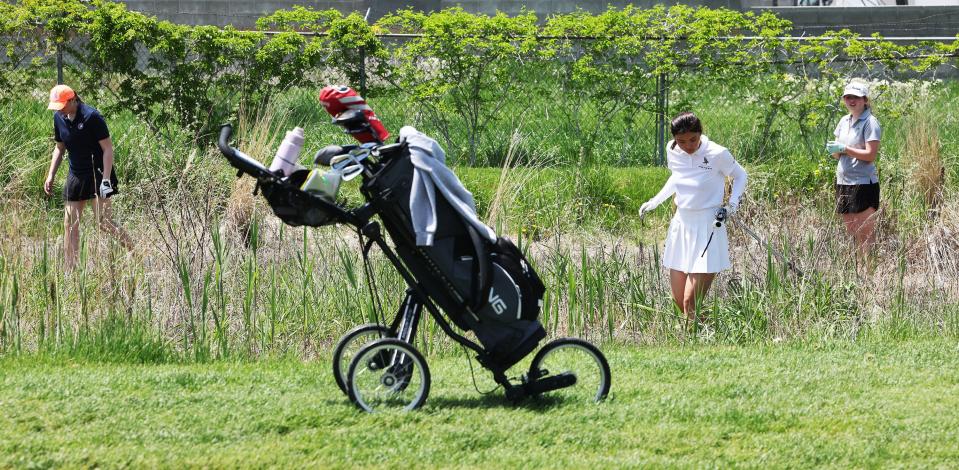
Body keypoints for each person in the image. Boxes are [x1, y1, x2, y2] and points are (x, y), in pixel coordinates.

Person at [639, 112, 747, 327]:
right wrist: (655, 201)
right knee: (680, 302)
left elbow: (741, 175)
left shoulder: (717, 153)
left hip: (708, 225)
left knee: (690, 302)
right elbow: (677, 177)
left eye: (693, 140)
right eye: (681, 141)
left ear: (700, 134)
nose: (687, 146)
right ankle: (710, 335)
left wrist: (731, 206)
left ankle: (704, 343)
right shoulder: (673, 150)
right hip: (681, 225)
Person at [43, 84, 133, 270]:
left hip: (99, 173)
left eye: (62, 106)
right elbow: (59, 148)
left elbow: (107, 149)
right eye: (56, 107)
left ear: (73, 100)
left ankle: (136, 254)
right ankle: (71, 270)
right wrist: (51, 174)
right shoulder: (59, 118)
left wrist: (106, 180)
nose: (59, 111)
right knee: (69, 224)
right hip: (76, 174)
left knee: (104, 223)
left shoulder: (92, 117)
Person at [826, 81, 881, 258]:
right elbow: (837, 154)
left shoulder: (871, 122)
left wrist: (844, 149)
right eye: (848, 97)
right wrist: (835, 150)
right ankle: (857, 273)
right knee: (851, 231)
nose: (851, 100)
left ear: (865, 99)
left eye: (856, 97)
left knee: (864, 234)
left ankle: (869, 274)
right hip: (843, 181)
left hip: (863, 183)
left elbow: (870, 155)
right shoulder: (843, 121)